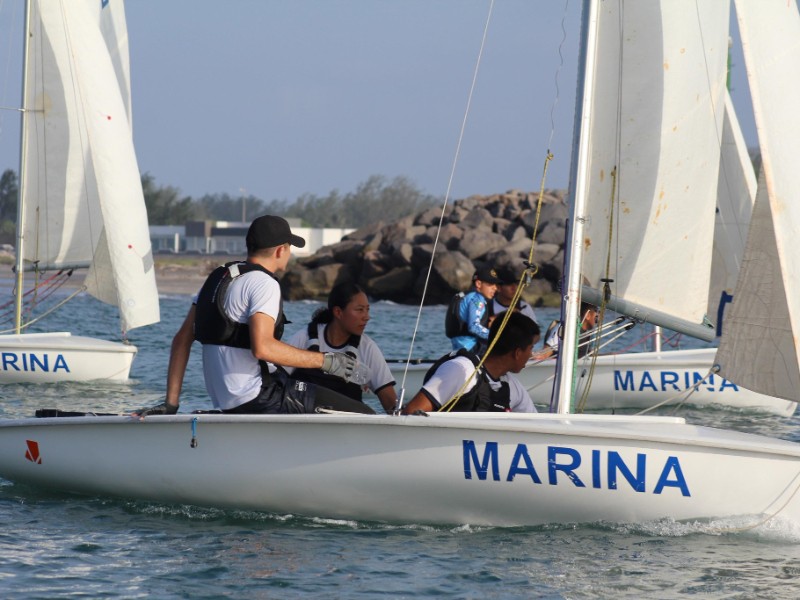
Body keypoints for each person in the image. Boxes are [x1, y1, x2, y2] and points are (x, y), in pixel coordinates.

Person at [136, 215, 374, 416]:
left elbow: (181, 340)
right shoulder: (264, 284)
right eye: (290, 249)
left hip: (225, 399)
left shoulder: (219, 278)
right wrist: (328, 361)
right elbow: (263, 348)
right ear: (281, 250)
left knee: (308, 386)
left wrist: (171, 404)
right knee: (364, 414)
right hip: (259, 398)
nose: (290, 255)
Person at [285, 282, 398, 414]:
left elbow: (390, 402)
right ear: (338, 312)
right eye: (360, 310)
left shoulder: (367, 347)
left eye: (367, 309)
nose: (366, 317)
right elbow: (276, 381)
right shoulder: (303, 337)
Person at [403, 311, 541, 414]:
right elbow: (411, 412)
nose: (531, 354)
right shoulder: (460, 370)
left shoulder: (511, 386)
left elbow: (535, 424)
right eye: (531, 348)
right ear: (517, 353)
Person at [447, 265, 502, 353]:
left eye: (495, 284)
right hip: (472, 347)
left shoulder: (467, 296)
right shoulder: (477, 299)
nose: (495, 288)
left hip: (459, 346)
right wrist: (495, 337)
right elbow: (473, 326)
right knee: (506, 344)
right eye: (490, 284)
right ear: (479, 284)